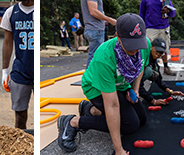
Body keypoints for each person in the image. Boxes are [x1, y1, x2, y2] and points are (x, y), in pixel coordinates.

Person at [57, 14, 151, 155]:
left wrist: (135, 89)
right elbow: (112, 105)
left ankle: (91, 110)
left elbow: (141, 67)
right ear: (117, 36)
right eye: (130, 45)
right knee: (130, 125)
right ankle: (73, 122)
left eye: (138, 44)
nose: (135, 50)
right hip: (96, 88)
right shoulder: (105, 56)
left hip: (121, 86)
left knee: (142, 118)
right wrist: (119, 150)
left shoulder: (145, 45)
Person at [1, 0, 34, 128]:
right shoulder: (11, 12)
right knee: (20, 116)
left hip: (37, 69)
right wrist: (4, 71)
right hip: (20, 70)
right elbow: (8, 43)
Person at [80, 0, 118, 66]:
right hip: (95, 29)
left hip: (93, 29)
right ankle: (90, 80)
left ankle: (91, 78)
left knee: (94, 56)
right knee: (94, 57)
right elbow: (93, 11)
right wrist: (110, 20)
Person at [139, 0, 177, 74]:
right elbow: (141, 13)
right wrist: (142, 26)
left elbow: (173, 14)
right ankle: (148, 67)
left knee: (164, 48)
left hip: (163, 27)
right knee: (148, 47)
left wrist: (168, 11)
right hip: (150, 27)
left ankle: (166, 67)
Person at [133, 38, 184, 105]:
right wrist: (153, 101)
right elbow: (139, 86)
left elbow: (158, 78)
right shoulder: (144, 57)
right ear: (151, 47)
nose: (158, 55)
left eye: (161, 53)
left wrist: (170, 91)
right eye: (157, 52)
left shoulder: (154, 58)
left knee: (155, 70)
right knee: (148, 71)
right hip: (131, 79)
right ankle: (131, 88)